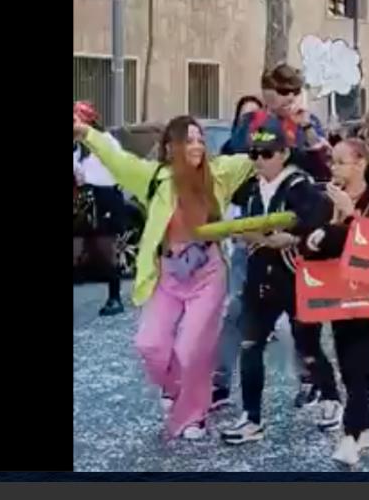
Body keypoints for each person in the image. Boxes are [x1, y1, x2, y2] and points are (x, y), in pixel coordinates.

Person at [73, 112, 254, 440]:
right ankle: (174, 390)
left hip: (208, 274)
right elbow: (117, 159)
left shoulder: (219, 173)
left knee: (191, 349)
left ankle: (195, 415)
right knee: (150, 345)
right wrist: (86, 133)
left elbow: (255, 158)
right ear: (170, 147)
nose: (197, 146)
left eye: (200, 139)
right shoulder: (153, 177)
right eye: (189, 140)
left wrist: (282, 133)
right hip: (168, 275)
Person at [220, 119, 342, 445]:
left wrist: (288, 237)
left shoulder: (300, 185)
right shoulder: (248, 188)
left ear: (284, 153)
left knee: (307, 343)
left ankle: (331, 396)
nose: (259, 159)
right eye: (254, 153)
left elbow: (317, 220)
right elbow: (233, 220)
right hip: (259, 275)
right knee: (250, 344)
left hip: (294, 275)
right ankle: (251, 417)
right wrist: (243, 234)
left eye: (266, 152)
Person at [302, 138, 369, 465]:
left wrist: (349, 218)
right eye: (332, 162)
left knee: (359, 365)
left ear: (361, 163)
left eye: (340, 162)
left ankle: (349, 436)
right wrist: (318, 233)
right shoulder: (327, 199)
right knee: (350, 368)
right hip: (337, 293)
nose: (333, 169)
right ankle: (367, 428)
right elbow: (313, 242)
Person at [211, 94, 265, 410]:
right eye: (245, 119)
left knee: (292, 323)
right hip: (243, 239)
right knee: (233, 310)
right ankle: (220, 383)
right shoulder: (229, 156)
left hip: (278, 243)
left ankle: (315, 383)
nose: (251, 126)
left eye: (257, 118)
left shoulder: (279, 157)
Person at [72, 102, 127, 317]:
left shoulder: (105, 141)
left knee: (105, 249)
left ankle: (115, 298)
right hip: (88, 196)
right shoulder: (78, 146)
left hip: (106, 196)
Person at [231, 64, 332, 181]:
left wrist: (306, 126)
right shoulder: (251, 120)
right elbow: (235, 154)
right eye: (283, 91)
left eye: (296, 91)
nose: (290, 97)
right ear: (267, 93)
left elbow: (325, 165)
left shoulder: (309, 120)